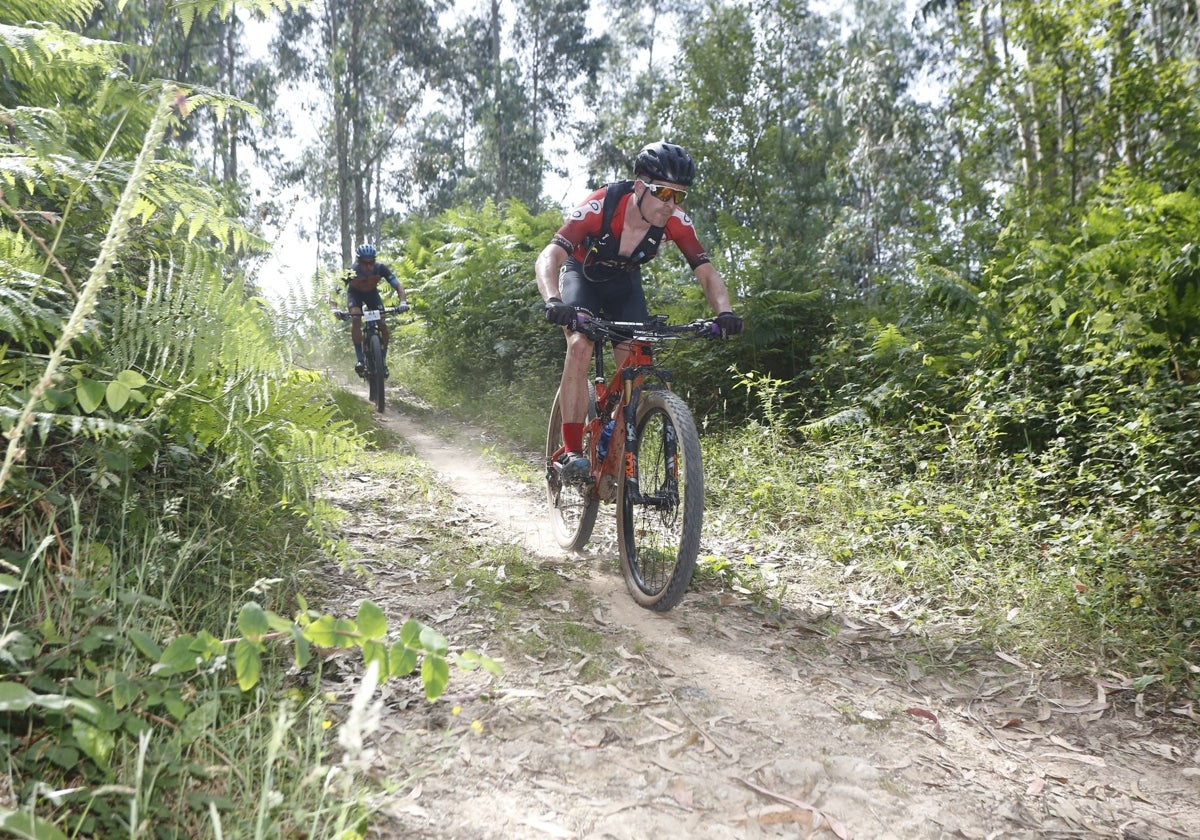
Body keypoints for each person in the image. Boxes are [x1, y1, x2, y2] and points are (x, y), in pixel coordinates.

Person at [534, 140, 744, 482]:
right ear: (639, 187)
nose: (670, 204)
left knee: (639, 363)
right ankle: (571, 451)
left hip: (624, 285)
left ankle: (611, 443)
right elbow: (550, 256)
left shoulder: (675, 221)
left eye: (679, 195)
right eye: (662, 192)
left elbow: (706, 271)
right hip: (582, 276)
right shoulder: (600, 205)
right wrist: (554, 301)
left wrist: (725, 312)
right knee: (580, 345)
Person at [343, 243, 408, 377]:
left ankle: (382, 361)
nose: (368, 266)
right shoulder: (350, 272)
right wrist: (334, 309)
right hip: (355, 295)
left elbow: (398, 286)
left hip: (372, 295)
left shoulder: (380, 269)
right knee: (356, 318)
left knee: (382, 324)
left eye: (371, 262)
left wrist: (403, 302)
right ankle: (360, 360)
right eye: (364, 263)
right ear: (358, 262)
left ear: (374, 260)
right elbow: (334, 291)